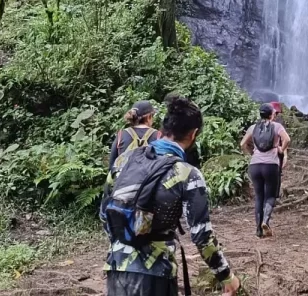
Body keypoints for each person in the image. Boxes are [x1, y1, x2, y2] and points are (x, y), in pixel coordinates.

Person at [101, 97, 240, 296]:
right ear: (193, 134)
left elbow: (105, 212)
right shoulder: (187, 173)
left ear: (163, 128)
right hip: (156, 273)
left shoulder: (125, 160)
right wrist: (226, 276)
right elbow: (202, 236)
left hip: (116, 267)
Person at [241, 103, 291, 238]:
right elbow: (287, 139)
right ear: (271, 115)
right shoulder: (277, 126)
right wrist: (280, 149)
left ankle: (258, 230)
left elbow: (242, 144)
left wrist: (251, 154)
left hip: (255, 165)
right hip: (271, 165)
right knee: (270, 195)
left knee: (258, 196)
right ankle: (265, 221)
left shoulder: (253, 127)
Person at [109, 100, 160, 170]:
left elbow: (111, 165)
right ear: (148, 117)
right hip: (149, 179)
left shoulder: (121, 135)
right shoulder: (158, 136)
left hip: (124, 179)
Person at [269, 102, 287, 199]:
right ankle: (275, 196)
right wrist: (283, 151)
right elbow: (285, 139)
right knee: (277, 173)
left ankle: (271, 195)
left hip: (270, 151)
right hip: (277, 150)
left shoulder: (263, 123)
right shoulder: (279, 123)